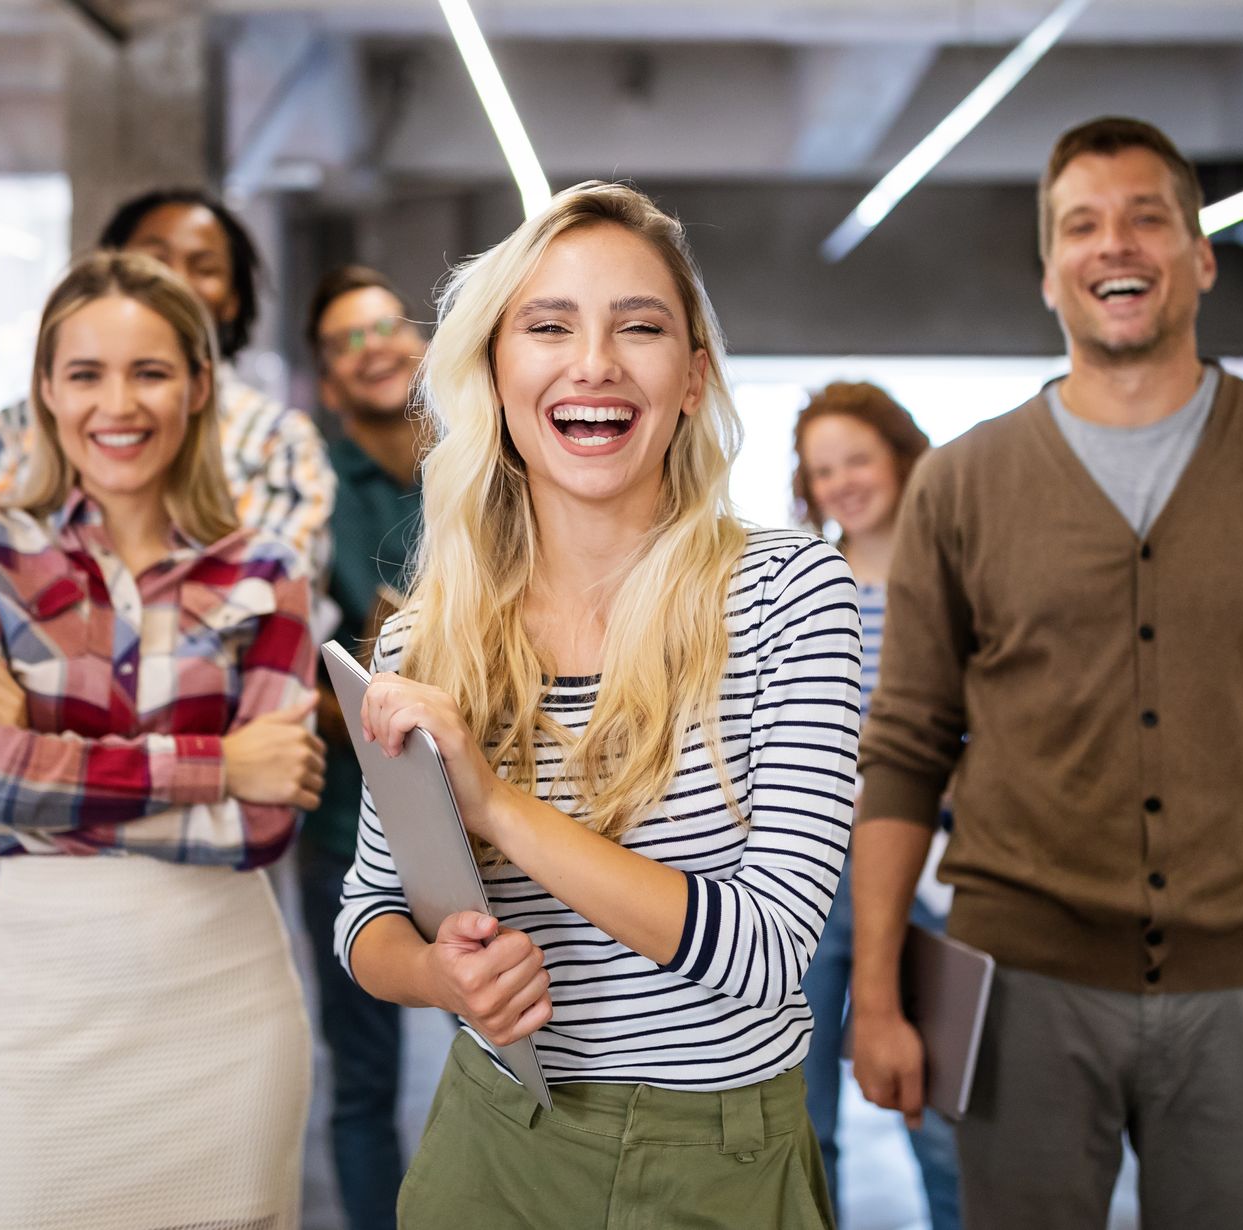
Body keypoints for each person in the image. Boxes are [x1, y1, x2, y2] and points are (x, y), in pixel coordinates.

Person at [851, 116, 1243, 1230]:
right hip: (1023, 988)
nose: (1117, 246)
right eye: (1083, 226)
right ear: (1049, 273)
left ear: (1200, 259)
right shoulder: (963, 485)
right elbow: (905, 751)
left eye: (1148, 218)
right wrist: (876, 990)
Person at [334, 181, 859, 1229]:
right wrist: (446, 980)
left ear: (694, 377)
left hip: (719, 1163)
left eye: (641, 327)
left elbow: (766, 952)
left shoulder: (792, 595)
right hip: (492, 1146)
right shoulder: (423, 637)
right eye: (549, 326)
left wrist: (498, 809)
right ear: (495, 367)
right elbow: (366, 917)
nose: (595, 364)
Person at [0, 251, 323, 1229]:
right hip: (43, 1025)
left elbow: (265, 824)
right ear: (48, 392)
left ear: (195, 384)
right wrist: (218, 763)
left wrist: (39, 766)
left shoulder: (267, 570)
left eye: (149, 372)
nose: (118, 404)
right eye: (86, 373)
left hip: (224, 1020)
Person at [0, 186, 335, 592]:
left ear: (234, 299)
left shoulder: (278, 439)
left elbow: (263, 605)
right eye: (154, 260)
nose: (175, 278)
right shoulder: (19, 425)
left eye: (204, 267)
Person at [789, 382, 959, 1230]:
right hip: (815, 874)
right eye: (823, 470)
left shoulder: (955, 577)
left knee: (939, 1116)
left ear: (899, 454)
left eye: (857, 457)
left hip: (935, 869)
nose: (843, 482)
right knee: (802, 1120)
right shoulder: (802, 587)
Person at [298, 264, 430, 1230]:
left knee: (524, 1051)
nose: (375, 345)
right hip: (350, 824)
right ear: (329, 379)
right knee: (363, 1079)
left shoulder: (493, 470)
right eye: (348, 339)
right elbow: (279, 672)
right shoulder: (308, 493)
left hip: (497, 813)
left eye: (387, 325)